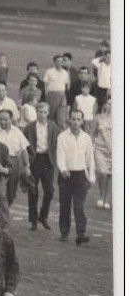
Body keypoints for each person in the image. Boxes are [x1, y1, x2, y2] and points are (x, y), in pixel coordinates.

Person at [56, 110, 95, 245]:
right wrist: (63, 169)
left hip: (80, 175)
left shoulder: (86, 138)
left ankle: (81, 233)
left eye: (78, 119)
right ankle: (64, 232)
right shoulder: (62, 136)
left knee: (79, 206)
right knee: (65, 205)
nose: (76, 122)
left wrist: (91, 176)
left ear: (82, 121)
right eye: (73, 119)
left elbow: (90, 158)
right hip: (66, 176)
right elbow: (60, 155)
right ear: (69, 120)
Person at [23, 102, 59, 231]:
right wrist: (26, 162)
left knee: (49, 191)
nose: (42, 114)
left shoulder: (53, 127)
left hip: (47, 160)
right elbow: (24, 145)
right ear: (36, 112)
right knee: (33, 190)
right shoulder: (30, 127)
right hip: (35, 159)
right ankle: (33, 220)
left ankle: (43, 216)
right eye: (40, 111)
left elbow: (57, 143)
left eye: (44, 112)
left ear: (48, 113)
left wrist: (56, 160)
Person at [0, 109, 31, 209]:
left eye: (5, 119)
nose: (3, 122)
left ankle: (5, 209)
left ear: (11, 119)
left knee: (11, 192)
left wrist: (27, 166)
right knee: (0, 190)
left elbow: (24, 151)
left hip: (14, 162)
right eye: (1, 119)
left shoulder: (17, 132)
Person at [93, 100, 112, 209]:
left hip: (115, 150)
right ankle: (101, 196)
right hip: (100, 149)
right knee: (102, 172)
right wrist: (91, 147)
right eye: (108, 103)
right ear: (105, 104)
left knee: (110, 175)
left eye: (112, 103)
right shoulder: (98, 118)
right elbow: (92, 133)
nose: (109, 105)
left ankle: (107, 199)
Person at [43, 55, 70, 128]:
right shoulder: (49, 72)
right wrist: (47, 95)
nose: (59, 63)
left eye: (61, 61)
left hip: (62, 95)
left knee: (61, 117)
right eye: (57, 61)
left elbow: (66, 85)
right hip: (52, 95)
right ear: (54, 62)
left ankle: (61, 134)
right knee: (50, 116)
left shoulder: (65, 73)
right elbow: (45, 84)